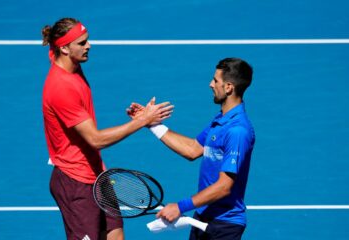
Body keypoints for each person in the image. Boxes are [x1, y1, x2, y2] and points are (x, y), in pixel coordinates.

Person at [41, 17, 173, 240]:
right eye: (82, 43)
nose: (89, 46)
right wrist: (143, 120)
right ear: (64, 48)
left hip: (96, 173)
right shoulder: (61, 87)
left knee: (115, 235)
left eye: (87, 40)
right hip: (75, 182)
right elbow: (95, 139)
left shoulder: (71, 64)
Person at [127, 58, 255, 240]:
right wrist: (151, 124)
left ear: (228, 87)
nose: (211, 84)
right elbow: (192, 149)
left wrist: (180, 207)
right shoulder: (221, 120)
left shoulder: (237, 131)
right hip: (204, 215)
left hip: (224, 225)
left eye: (215, 80)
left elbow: (224, 187)